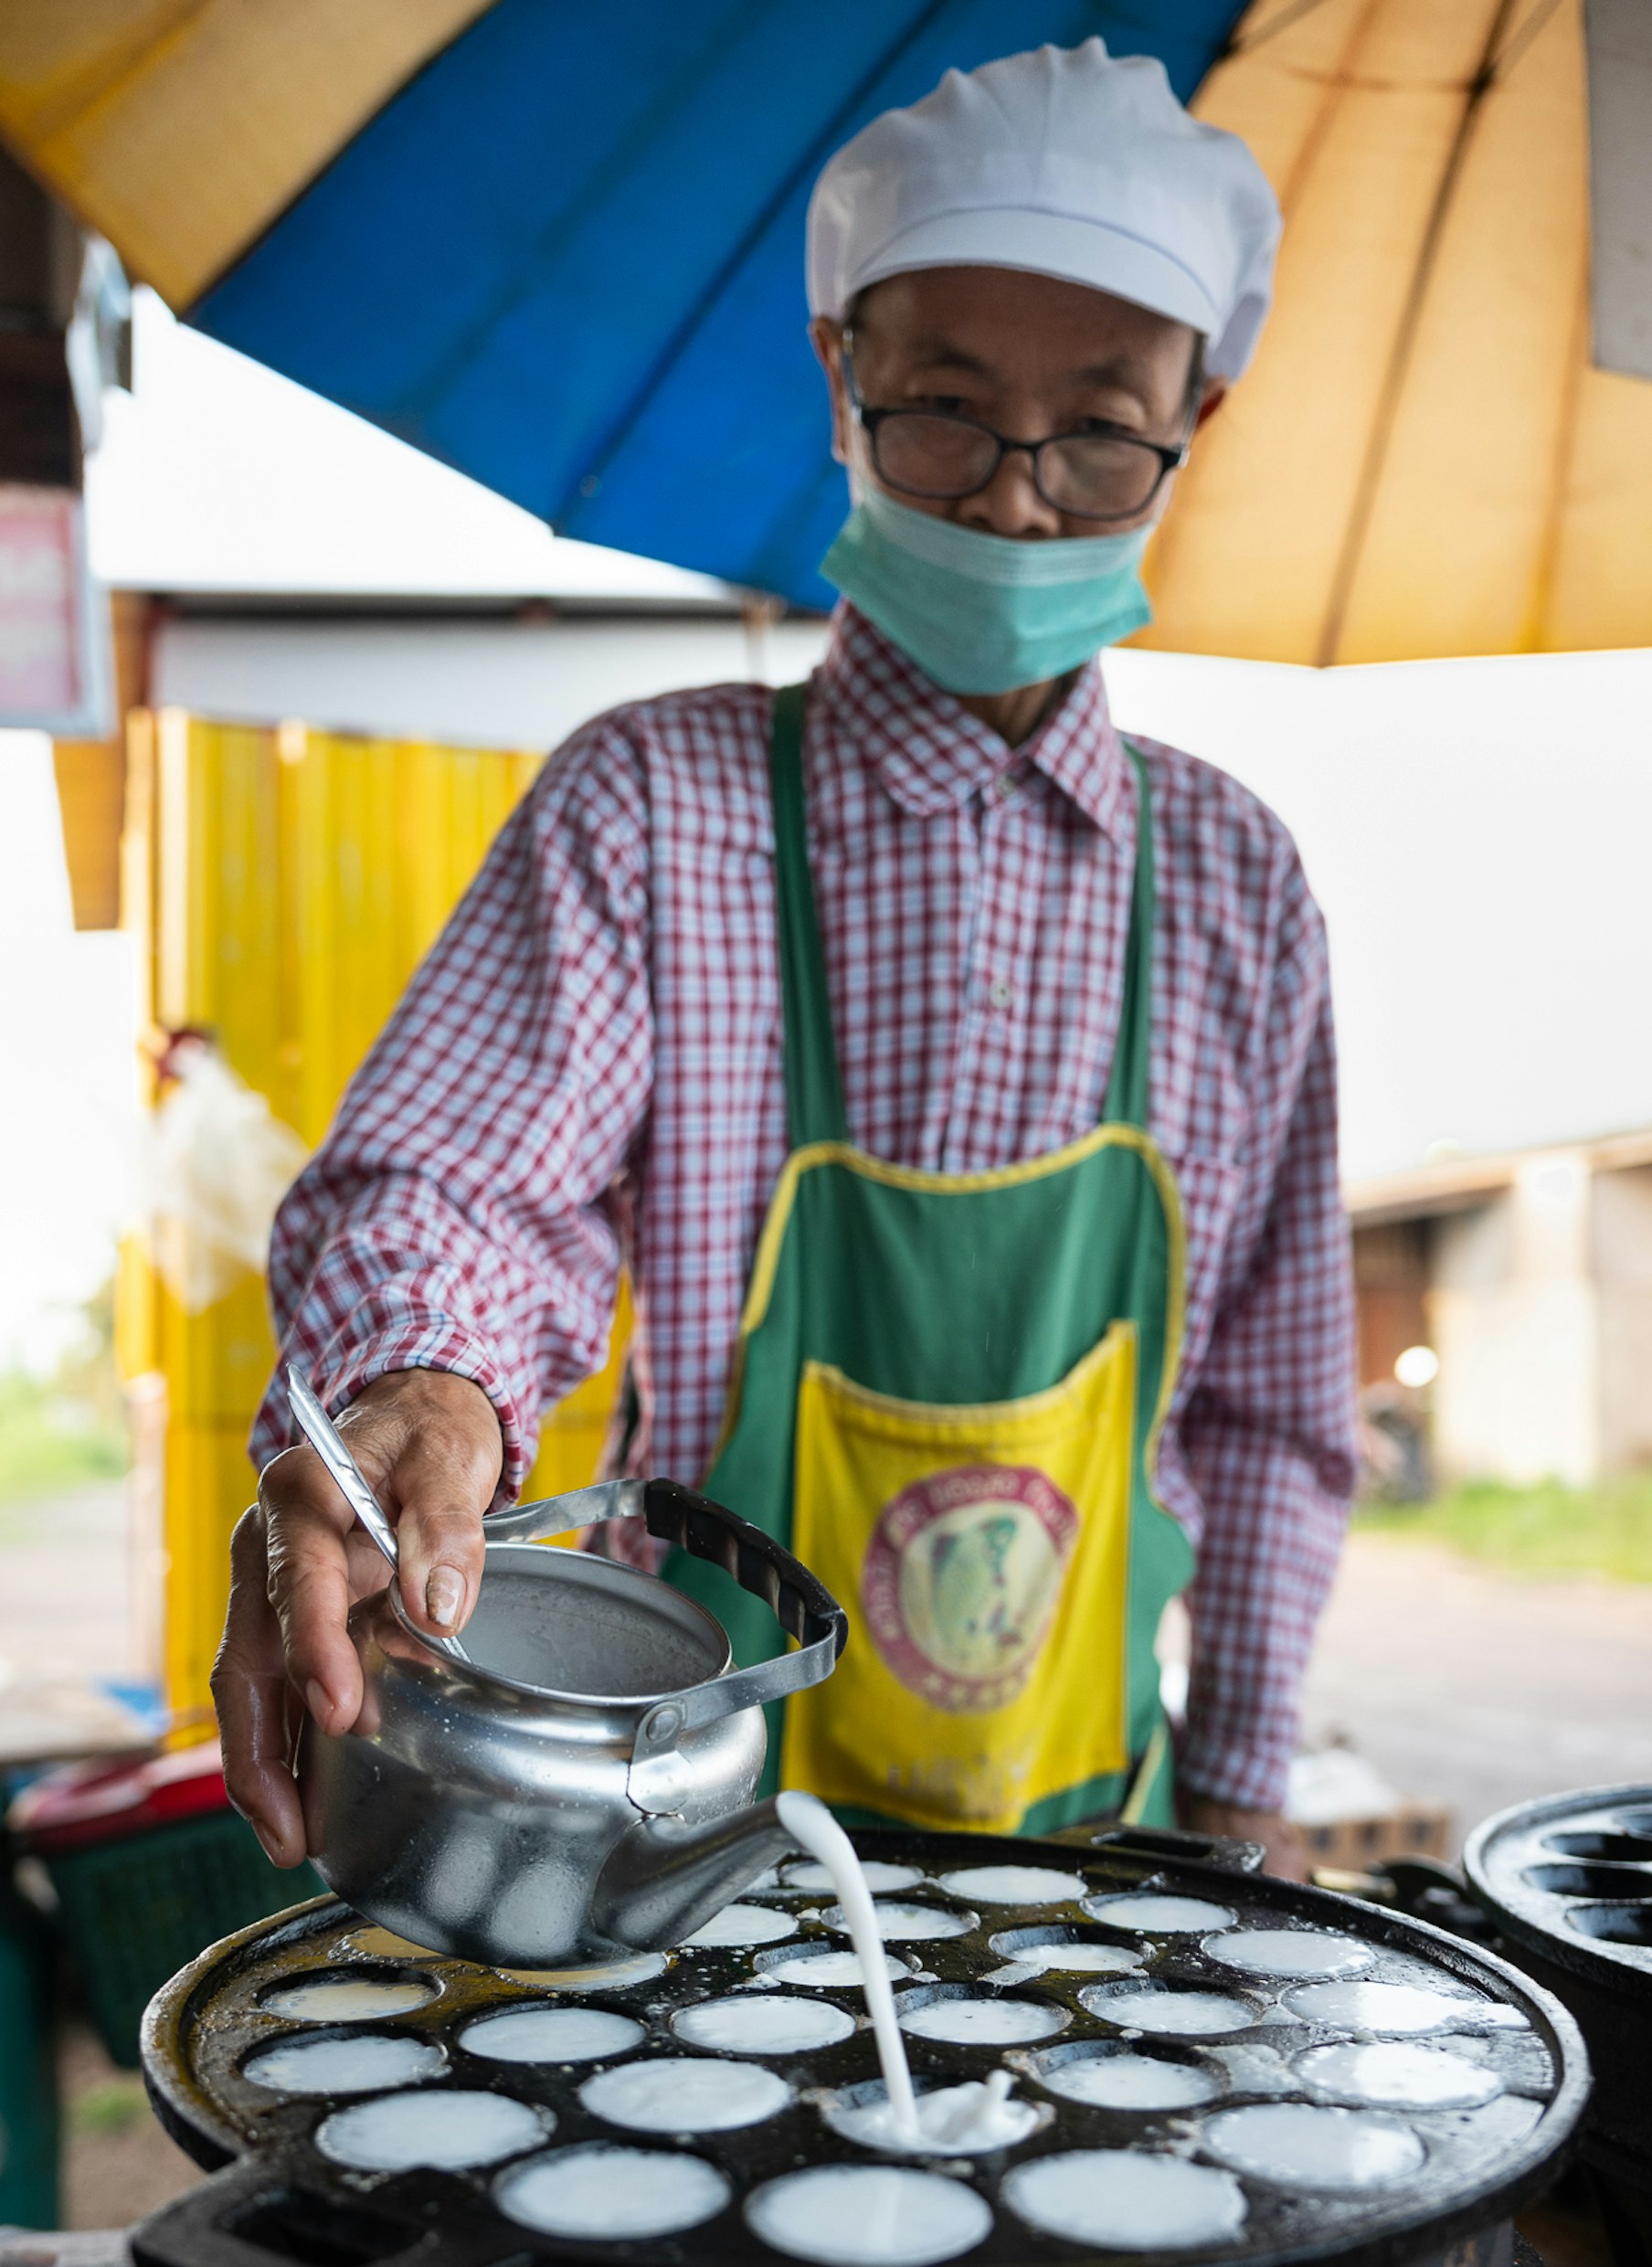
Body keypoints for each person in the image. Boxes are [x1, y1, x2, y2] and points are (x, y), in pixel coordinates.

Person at [211, 40, 1351, 1880]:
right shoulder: (656, 810)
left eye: (1100, 428)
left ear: (1196, 419)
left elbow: (1271, 1414)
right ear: (843, 378)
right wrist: (421, 1388)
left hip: (1092, 1828)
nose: (1014, 499)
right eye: (947, 411)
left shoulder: (1235, 879)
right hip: (684, 1816)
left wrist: (1238, 1803)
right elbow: (466, 1184)